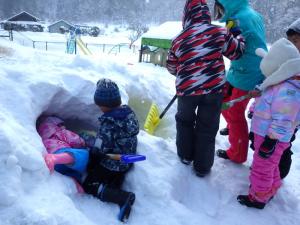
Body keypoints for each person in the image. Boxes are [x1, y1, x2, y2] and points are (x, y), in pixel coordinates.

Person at [166, 0, 245, 177]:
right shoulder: (219, 32)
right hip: (213, 90)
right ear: (206, 13)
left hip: (186, 90)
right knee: (207, 127)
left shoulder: (179, 38)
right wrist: (237, 33)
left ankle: (185, 155)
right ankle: (202, 167)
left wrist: (185, 72)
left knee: (184, 121)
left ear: (187, 15)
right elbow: (236, 52)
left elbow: (171, 66)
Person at [237, 37, 300, 209]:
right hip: (264, 134)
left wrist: (271, 141)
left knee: (261, 168)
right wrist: (252, 111)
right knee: (270, 166)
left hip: (272, 138)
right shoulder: (277, 84)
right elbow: (264, 101)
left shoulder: (288, 90)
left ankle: (258, 198)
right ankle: (272, 186)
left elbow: (284, 118)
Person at [214, 0, 268, 164]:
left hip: (245, 72)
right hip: (252, 68)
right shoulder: (250, 13)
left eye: (219, 7)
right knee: (225, 100)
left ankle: (237, 153)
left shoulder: (237, 20)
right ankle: (232, 128)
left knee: (233, 111)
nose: (218, 12)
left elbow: (233, 49)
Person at [248, 18, 300, 179]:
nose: (292, 45)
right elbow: (268, 86)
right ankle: (267, 170)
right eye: (290, 41)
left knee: (282, 144)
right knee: (269, 148)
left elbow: (289, 103)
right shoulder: (285, 63)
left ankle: (277, 174)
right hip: (272, 116)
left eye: (296, 41)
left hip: (288, 117)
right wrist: (254, 108)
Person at [82, 78, 139, 222]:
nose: (99, 107)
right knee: (111, 178)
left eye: (100, 105)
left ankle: (122, 197)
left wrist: (89, 148)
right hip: (127, 162)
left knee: (88, 184)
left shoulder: (109, 123)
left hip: (113, 164)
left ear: (104, 105)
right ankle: (113, 186)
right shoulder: (129, 115)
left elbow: (100, 148)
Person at [37, 116, 89, 193]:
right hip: (60, 153)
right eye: (62, 125)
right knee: (82, 154)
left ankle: (75, 183)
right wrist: (83, 142)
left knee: (69, 171)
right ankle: (54, 158)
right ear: (57, 126)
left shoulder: (44, 139)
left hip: (56, 166)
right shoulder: (60, 132)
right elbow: (75, 140)